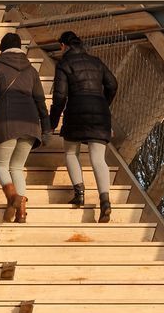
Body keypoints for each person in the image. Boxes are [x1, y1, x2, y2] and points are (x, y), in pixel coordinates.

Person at [0, 32, 50, 224]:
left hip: (7, 121)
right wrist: (46, 128)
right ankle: (21, 213)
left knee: (0, 165)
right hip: (31, 123)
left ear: (2, 49)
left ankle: (12, 197)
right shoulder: (31, 70)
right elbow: (40, 101)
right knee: (17, 167)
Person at [51, 30, 120, 224]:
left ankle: (79, 193)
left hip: (76, 111)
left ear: (63, 46)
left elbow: (59, 97)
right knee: (98, 159)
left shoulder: (64, 64)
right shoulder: (96, 62)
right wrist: (103, 103)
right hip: (100, 113)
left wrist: (52, 122)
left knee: (71, 152)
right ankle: (105, 201)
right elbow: (113, 84)